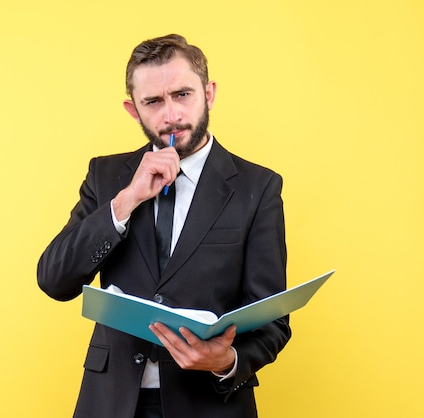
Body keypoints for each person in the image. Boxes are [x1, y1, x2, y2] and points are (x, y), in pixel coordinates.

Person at [37, 34, 291, 418]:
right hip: (111, 402)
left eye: (182, 95)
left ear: (209, 93)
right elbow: (54, 280)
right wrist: (126, 200)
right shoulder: (106, 176)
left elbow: (273, 321)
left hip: (209, 403)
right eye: (153, 102)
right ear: (133, 110)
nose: (170, 115)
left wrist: (225, 361)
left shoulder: (259, 187)